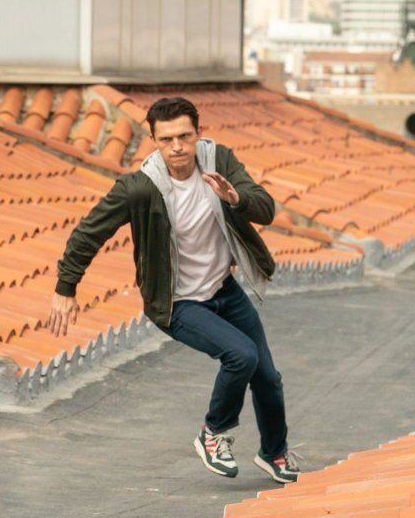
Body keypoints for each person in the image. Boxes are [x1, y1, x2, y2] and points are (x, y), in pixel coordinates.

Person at [48, 96, 300, 485]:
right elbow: (88, 233)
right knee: (241, 355)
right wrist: (66, 287)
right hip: (178, 303)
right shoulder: (139, 188)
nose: (177, 147)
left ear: (198, 133)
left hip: (224, 290)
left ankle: (274, 453)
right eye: (166, 139)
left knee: (267, 376)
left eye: (185, 136)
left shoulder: (219, 161)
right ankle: (213, 432)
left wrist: (234, 198)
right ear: (153, 140)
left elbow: (264, 208)